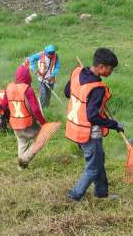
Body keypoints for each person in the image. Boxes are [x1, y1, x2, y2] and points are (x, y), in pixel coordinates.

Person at [65, 48, 123, 201]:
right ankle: (75, 195)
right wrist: (113, 124)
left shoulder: (77, 73)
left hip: (75, 128)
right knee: (93, 168)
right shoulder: (97, 88)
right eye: (110, 69)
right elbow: (93, 117)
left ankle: (102, 193)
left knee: (98, 161)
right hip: (89, 134)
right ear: (101, 67)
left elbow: (67, 92)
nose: (111, 72)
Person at [7, 63, 48, 169]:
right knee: (42, 137)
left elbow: (4, 105)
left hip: (15, 124)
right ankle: (25, 159)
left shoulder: (9, 87)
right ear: (27, 76)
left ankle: (21, 167)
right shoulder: (27, 89)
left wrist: (8, 119)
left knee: (22, 143)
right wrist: (43, 123)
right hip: (27, 124)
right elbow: (35, 109)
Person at [27, 44, 60, 109]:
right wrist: (34, 69)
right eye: (50, 54)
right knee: (43, 94)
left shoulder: (55, 56)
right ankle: (41, 109)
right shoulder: (41, 55)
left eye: (52, 54)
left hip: (51, 80)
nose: (51, 56)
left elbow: (57, 67)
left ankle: (47, 108)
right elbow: (31, 59)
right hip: (41, 79)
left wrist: (52, 75)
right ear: (46, 53)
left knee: (48, 96)